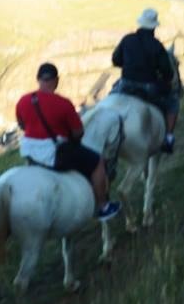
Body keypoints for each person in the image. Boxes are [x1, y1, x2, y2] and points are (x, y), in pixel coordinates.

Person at [16, 62, 121, 221]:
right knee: (97, 161)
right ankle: (103, 206)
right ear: (56, 80)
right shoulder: (63, 103)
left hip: (29, 152)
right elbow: (78, 133)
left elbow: (22, 125)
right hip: (54, 154)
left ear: (38, 79)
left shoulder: (23, 101)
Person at [112, 8, 179, 153]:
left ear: (141, 24)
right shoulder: (157, 46)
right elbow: (167, 73)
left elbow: (116, 60)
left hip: (126, 83)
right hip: (148, 87)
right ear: (154, 26)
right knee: (173, 102)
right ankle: (167, 138)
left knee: (111, 97)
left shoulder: (127, 39)